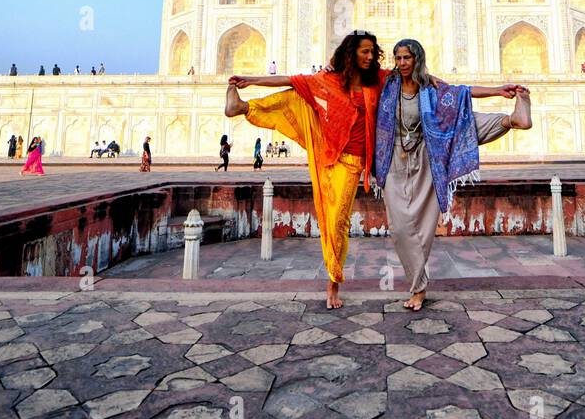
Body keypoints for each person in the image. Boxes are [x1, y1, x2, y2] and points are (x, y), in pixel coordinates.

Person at [226, 30, 385, 309]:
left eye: (373, 52)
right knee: (296, 97)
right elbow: (291, 80)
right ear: (351, 54)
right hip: (329, 153)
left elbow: (411, 76)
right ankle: (243, 107)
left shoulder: (379, 82)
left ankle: (333, 280)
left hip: (351, 163)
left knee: (336, 221)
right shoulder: (330, 81)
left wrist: (437, 81)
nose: (370, 57)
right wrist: (251, 80)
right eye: (365, 51)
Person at [375, 39, 532, 312]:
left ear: (417, 59)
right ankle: (418, 282)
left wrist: (498, 90)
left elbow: (461, 93)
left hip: (429, 153)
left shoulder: (428, 85)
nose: (401, 63)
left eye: (407, 58)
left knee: (461, 124)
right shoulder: (387, 84)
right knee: (400, 228)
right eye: (398, 58)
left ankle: (512, 119)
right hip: (393, 160)